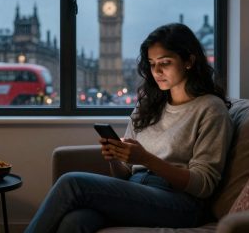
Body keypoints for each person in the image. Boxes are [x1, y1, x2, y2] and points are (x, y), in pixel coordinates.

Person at [24, 23, 233, 233]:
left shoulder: (210, 108)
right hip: (137, 189)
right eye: (151, 64)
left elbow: (204, 184)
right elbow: (125, 176)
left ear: (189, 61)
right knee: (77, 220)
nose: (156, 71)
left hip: (180, 203)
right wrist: (115, 156)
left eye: (165, 63)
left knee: (72, 183)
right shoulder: (148, 105)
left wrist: (146, 159)